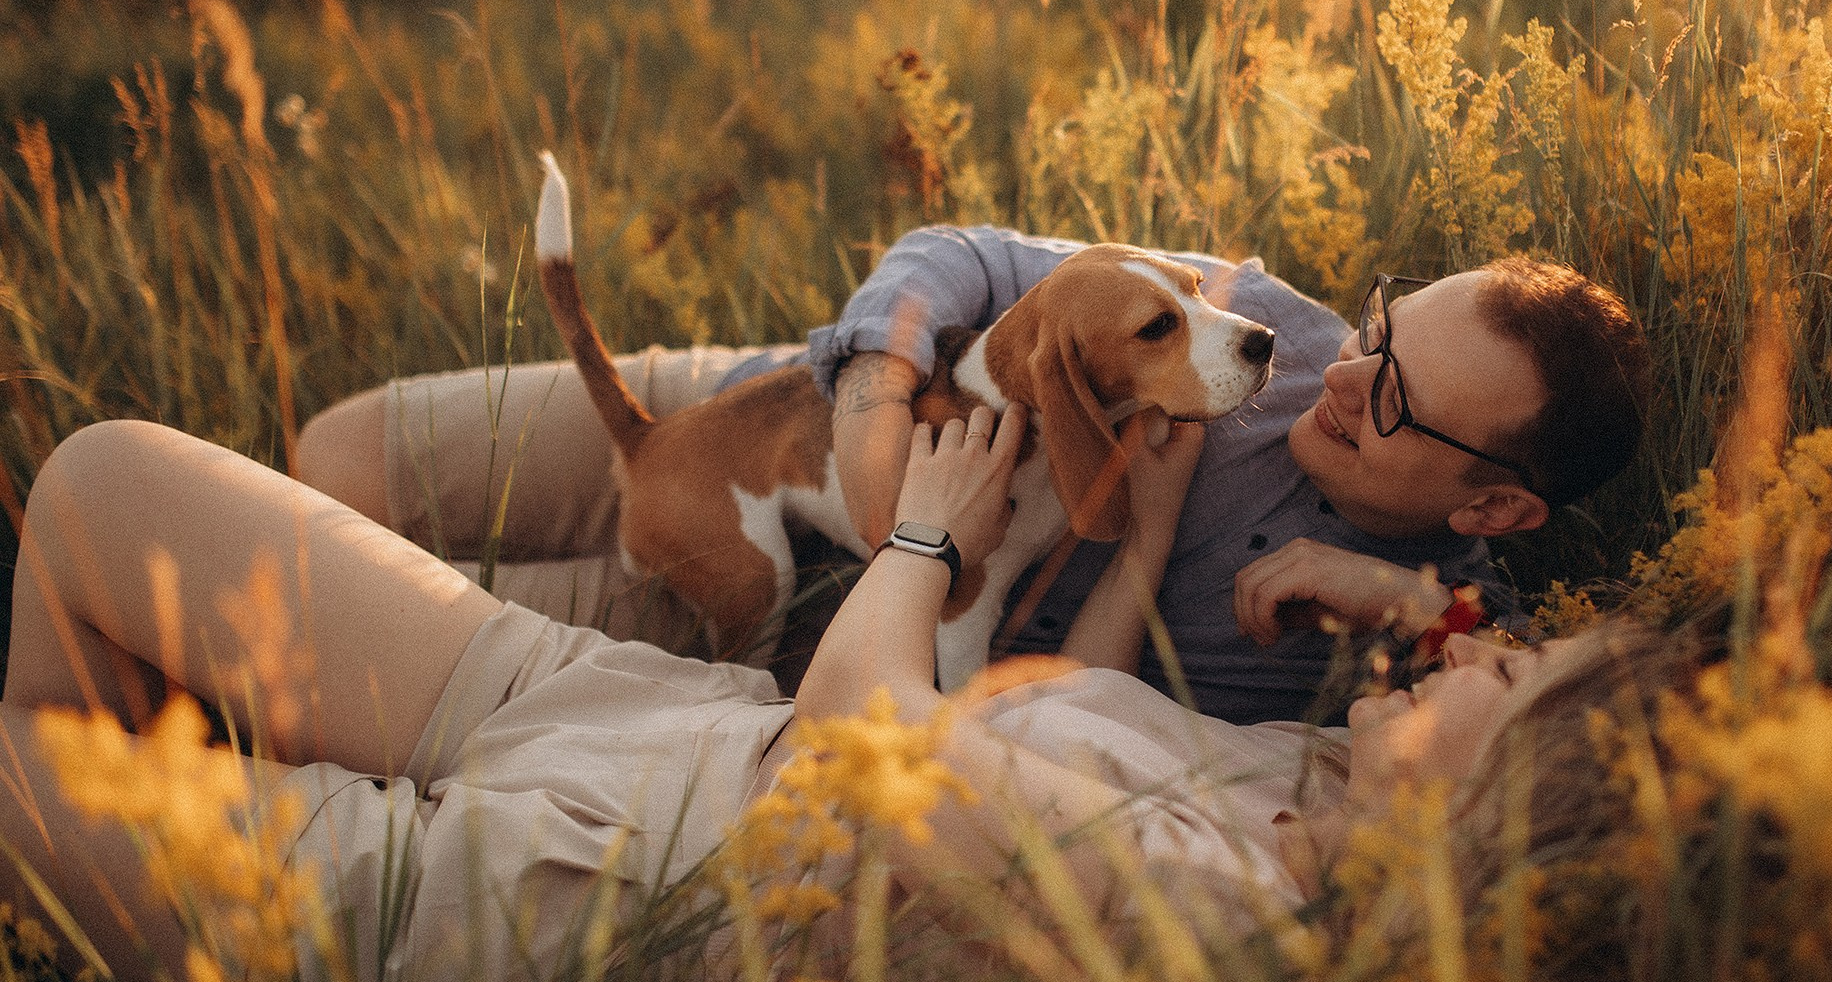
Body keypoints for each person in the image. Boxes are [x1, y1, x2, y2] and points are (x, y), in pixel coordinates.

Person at [1, 406, 1675, 982]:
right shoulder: (1310, 774)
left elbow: (863, 719)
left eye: (1514, 683)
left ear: (1500, 818)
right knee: (99, 482)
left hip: (520, 913)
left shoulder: (1227, 950)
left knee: (16, 762)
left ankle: (124, 929)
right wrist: (1399, 611)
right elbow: (1455, 637)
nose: (1489, 654)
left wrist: (925, 535)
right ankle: (108, 893)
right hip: (618, 706)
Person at [299, 225, 1650, 724]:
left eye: (1397, 395)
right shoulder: (1274, 331)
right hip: (773, 400)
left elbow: (1560, 708)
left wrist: (1389, 592)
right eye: (1379, 327)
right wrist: (875, 394)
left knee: (308, 625)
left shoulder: (1402, 633)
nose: (1338, 376)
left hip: (807, 606)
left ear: (1494, 509)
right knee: (336, 456)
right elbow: (968, 255)